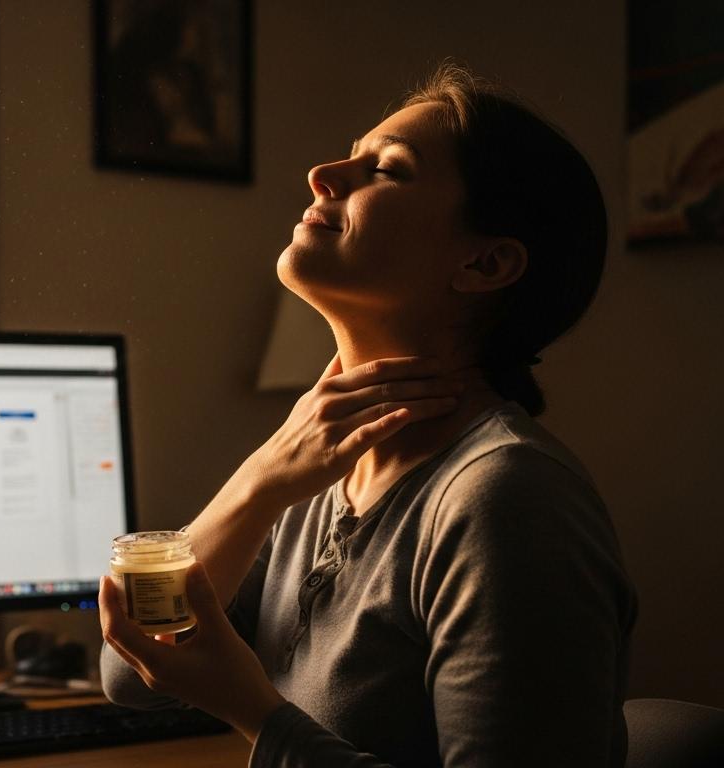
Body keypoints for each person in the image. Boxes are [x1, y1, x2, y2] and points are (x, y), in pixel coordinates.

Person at [99, 62, 638, 767]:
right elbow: (131, 672)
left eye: (385, 169)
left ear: (484, 264)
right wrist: (259, 480)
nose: (323, 174)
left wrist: (252, 709)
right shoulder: (316, 465)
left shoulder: (508, 499)